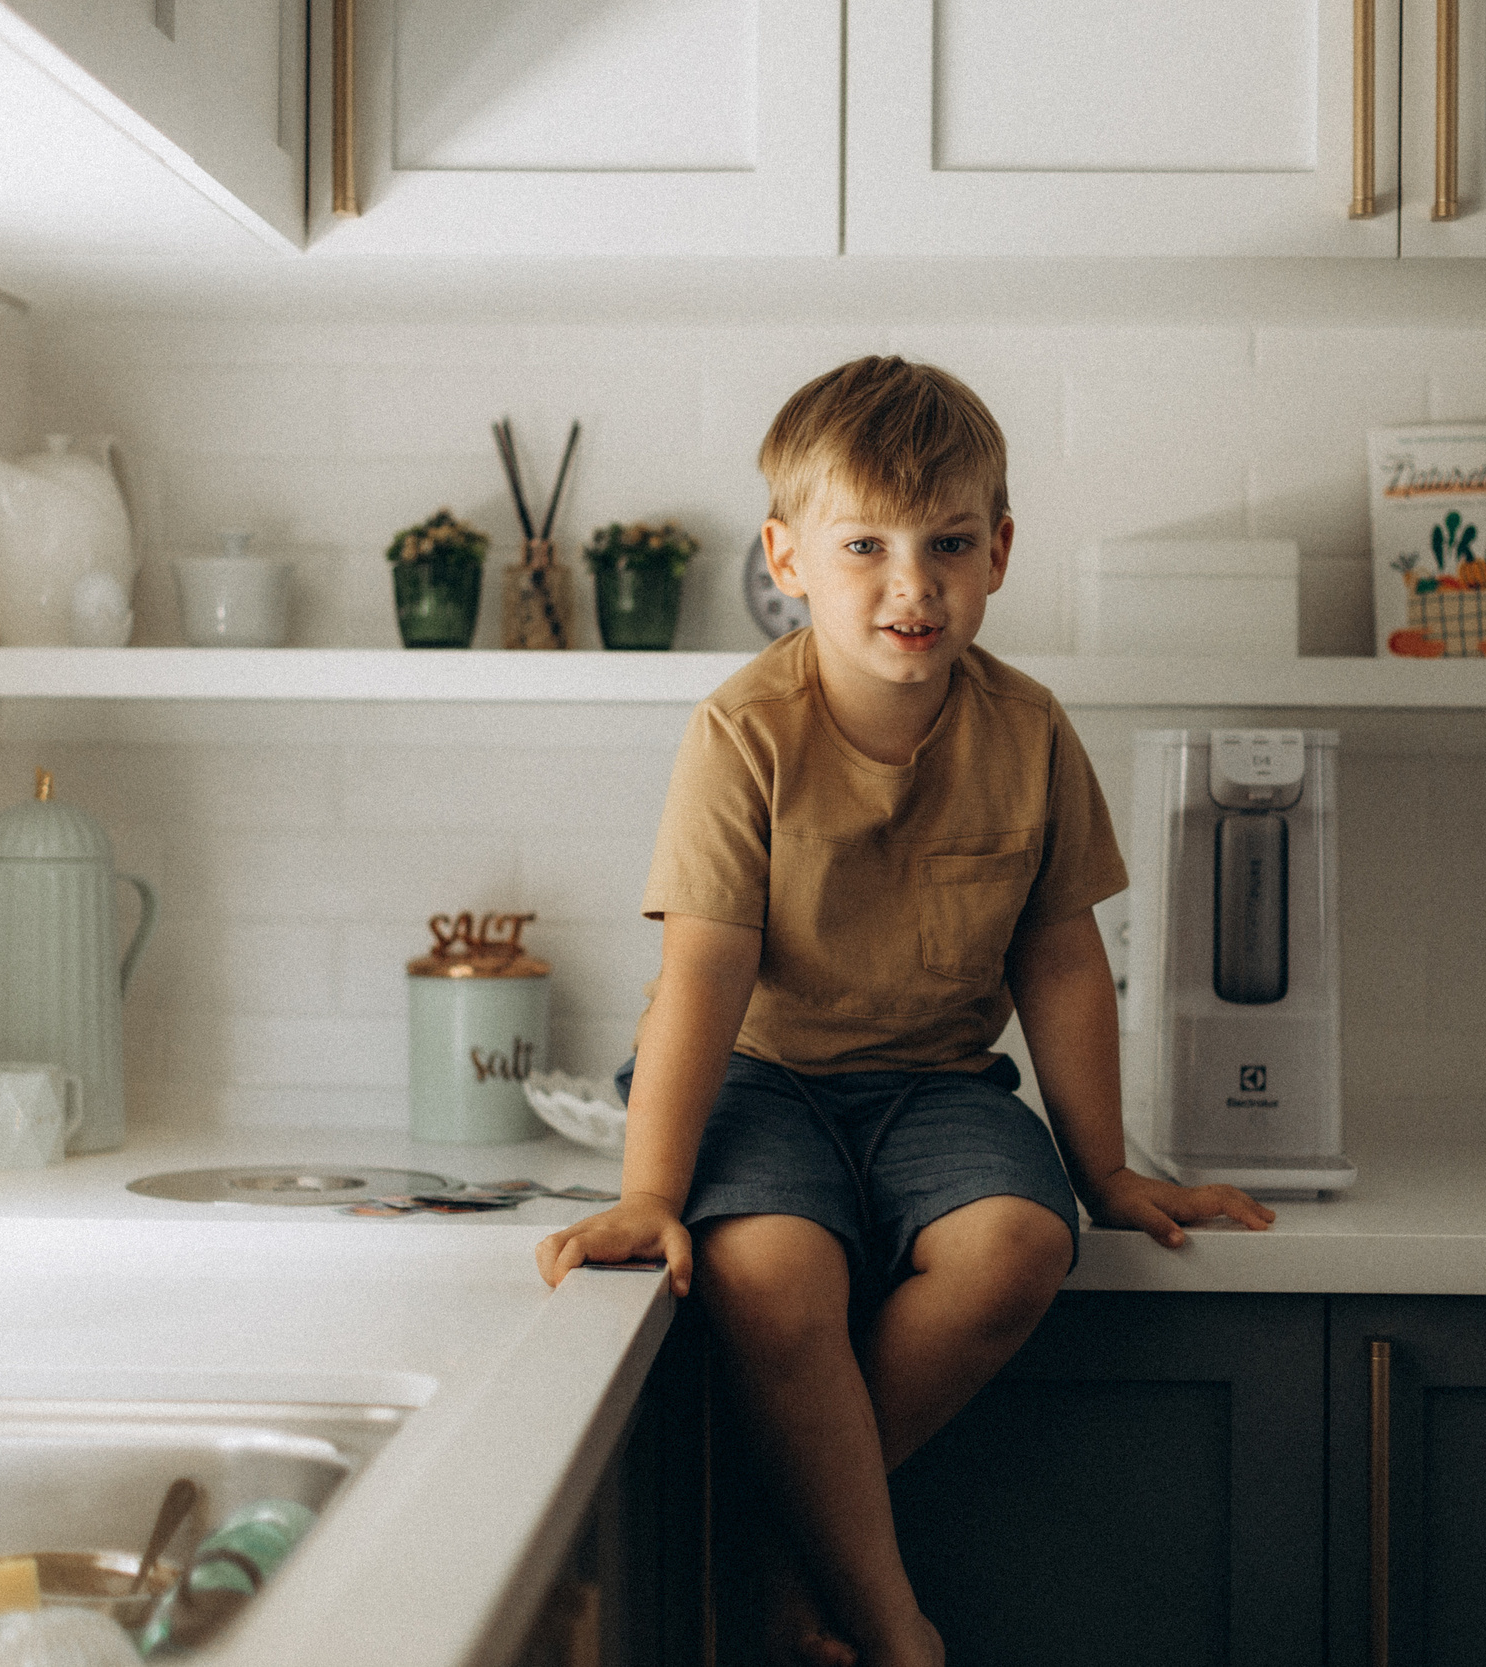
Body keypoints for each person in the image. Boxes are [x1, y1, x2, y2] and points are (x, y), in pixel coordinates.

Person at [535, 356, 1274, 1667]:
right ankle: (895, 1627)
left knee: (1017, 1248)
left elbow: (1059, 958)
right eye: (864, 545)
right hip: (758, 1076)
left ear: (998, 551)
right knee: (773, 1276)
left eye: (945, 544)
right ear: (788, 557)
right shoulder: (742, 731)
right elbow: (703, 978)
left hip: (935, 1086)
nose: (910, 584)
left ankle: (778, 1538)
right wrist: (652, 1192)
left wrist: (1102, 1165)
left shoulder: (1031, 732)